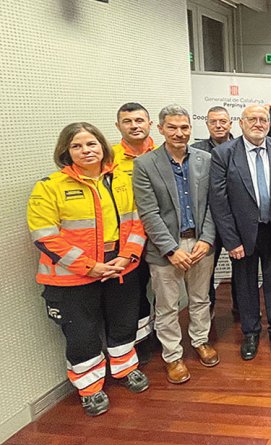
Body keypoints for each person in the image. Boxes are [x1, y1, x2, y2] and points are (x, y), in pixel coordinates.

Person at [28, 122, 149, 416]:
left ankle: (125, 368)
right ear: (66, 151)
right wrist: (89, 267)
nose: (86, 150)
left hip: (119, 267)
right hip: (72, 277)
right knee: (81, 334)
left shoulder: (120, 180)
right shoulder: (49, 187)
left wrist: (127, 256)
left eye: (91, 144)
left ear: (102, 146)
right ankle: (90, 388)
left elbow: (137, 221)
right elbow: (45, 236)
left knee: (123, 322)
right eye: (77, 146)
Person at [133, 105, 219, 384]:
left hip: (200, 244)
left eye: (184, 127)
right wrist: (171, 249)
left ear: (190, 129)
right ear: (160, 129)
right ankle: (172, 356)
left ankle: (200, 340)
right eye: (172, 127)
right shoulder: (145, 164)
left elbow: (214, 205)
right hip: (166, 248)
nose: (179, 133)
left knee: (200, 298)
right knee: (168, 306)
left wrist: (207, 239)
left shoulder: (206, 159)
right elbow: (148, 212)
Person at [209, 105, 271, 360]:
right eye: (252, 119)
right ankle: (250, 332)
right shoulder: (224, 154)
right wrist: (231, 240)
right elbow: (219, 201)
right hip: (242, 235)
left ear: (269, 123)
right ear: (241, 123)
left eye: (263, 119)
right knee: (245, 285)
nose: (258, 123)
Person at [112, 102, 156, 360]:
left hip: (161, 237)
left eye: (139, 120)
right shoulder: (109, 159)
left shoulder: (163, 153)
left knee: (163, 291)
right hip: (129, 242)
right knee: (134, 294)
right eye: (127, 121)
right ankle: (140, 343)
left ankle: (159, 334)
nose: (134, 126)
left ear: (150, 124)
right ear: (118, 126)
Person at [193, 106, 239, 314]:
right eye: (213, 122)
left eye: (223, 121)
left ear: (230, 123)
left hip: (235, 219)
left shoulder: (241, 147)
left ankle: (241, 306)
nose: (218, 125)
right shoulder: (196, 151)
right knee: (206, 268)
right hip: (208, 220)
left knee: (241, 267)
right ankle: (208, 307)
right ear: (207, 124)